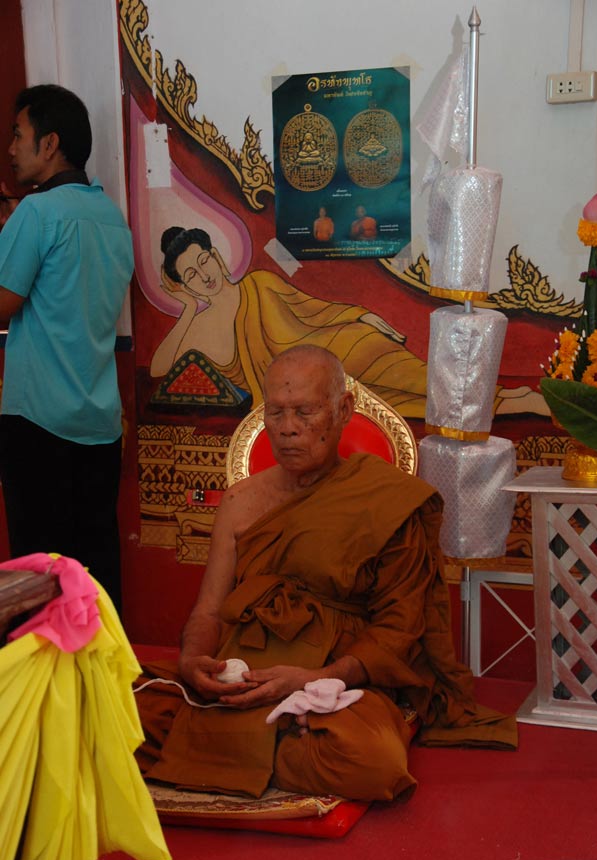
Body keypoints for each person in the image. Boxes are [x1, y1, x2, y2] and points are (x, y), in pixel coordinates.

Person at [135, 345, 517, 802]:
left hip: (335, 677)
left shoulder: (386, 500)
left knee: (373, 763)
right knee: (106, 712)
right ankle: (271, 745)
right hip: (245, 668)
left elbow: (398, 630)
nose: (288, 427)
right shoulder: (240, 503)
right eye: (275, 412)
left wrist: (312, 679)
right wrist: (194, 661)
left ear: (343, 411)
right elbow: (209, 611)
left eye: (305, 412)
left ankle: (229, 750)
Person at [150, 226, 549, 419]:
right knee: (404, 404)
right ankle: (509, 402)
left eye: (203, 261)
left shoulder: (258, 283)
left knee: (422, 381)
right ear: (186, 285)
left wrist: (362, 315)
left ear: (217, 257)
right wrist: (185, 308)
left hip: (345, 347)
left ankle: (509, 398)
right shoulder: (198, 327)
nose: (203, 276)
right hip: (312, 387)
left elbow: (314, 310)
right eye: (190, 275)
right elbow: (158, 368)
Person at [0, 84, 134, 610]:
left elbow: (4, 303)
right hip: (99, 424)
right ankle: (104, 662)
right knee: (94, 569)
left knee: (40, 577)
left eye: (18, 134)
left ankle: (48, 667)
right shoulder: (112, 218)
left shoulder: (37, 213)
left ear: (50, 143)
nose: (11, 148)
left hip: (39, 422)